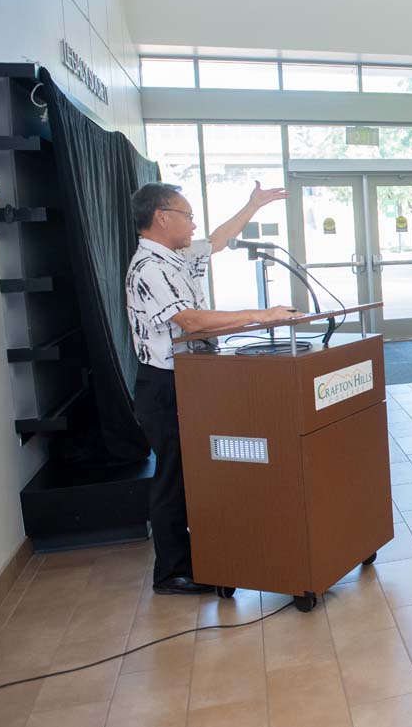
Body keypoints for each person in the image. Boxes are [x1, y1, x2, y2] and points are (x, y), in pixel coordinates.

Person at [126, 181, 299, 595]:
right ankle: (172, 572)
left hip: (191, 379)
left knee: (194, 473)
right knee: (173, 478)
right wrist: (263, 315)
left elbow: (217, 240)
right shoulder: (149, 266)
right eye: (186, 215)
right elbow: (192, 322)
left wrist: (251, 205)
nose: (193, 222)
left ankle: (199, 556)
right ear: (161, 218)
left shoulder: (175, 256)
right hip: (164, 385)